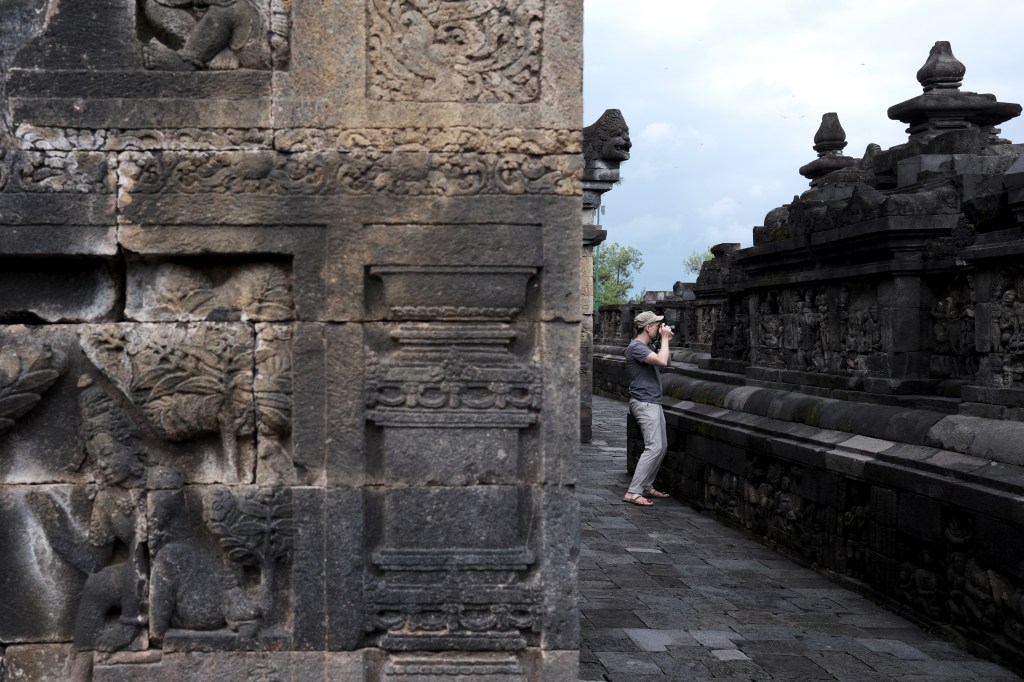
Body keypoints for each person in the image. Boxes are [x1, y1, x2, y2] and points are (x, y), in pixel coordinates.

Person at [623, 310, 674, 506]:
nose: (659, 327)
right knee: (654, 447)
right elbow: (661, 361)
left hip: (652, 401)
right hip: (644, 402)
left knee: (661, 447)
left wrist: (665, 341)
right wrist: (665, 339)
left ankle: (645, 486)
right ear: (648, 327)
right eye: (657, 325)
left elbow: (666, 362)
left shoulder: (649, 346)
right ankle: (633, 492)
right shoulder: (636, 347)